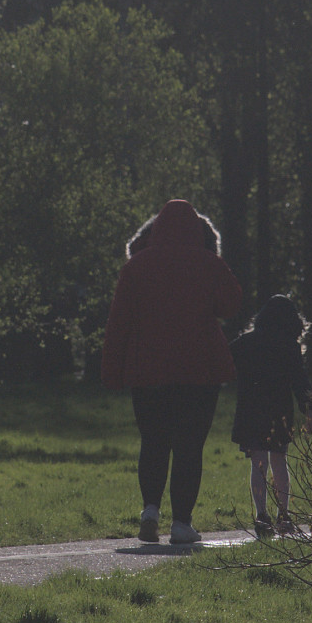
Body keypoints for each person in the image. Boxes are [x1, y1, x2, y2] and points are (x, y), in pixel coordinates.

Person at [100, 199, 242, 545]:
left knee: (153, 441)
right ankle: (181, 523)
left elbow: (119, 322)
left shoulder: (137, 267)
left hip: (148, 370)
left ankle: (150, 510)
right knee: (189, 447)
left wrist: (111, 371)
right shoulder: (209, 264)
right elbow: (231, 305)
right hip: (199, 371)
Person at [229, 294, 312, 536]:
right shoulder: (288, 346)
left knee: (258, 464)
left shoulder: (244, 343)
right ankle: (284, 515)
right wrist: (309, 410)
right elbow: (301, 380)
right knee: (279, 462)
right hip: (279, 410)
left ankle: (261, 516)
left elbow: (225, 365)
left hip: (250, 408)